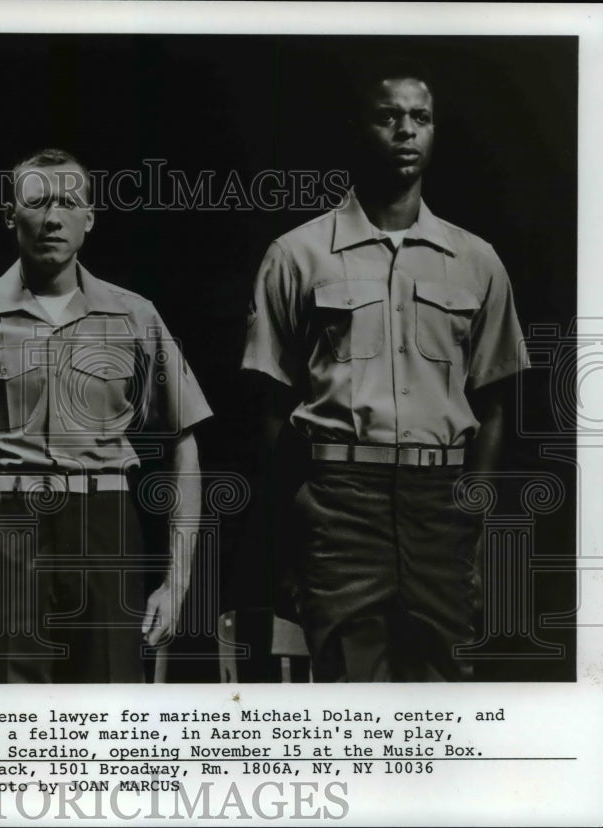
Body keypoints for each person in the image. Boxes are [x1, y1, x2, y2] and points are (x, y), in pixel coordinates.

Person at [242, 61, 529, 681]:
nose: (406, 130)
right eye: (388, 117)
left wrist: (470, 514)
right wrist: (297, 523)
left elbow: (496, 403)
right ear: (358, 129)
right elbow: (269, 406)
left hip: (440, 506)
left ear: (434, 133)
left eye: (420, 118)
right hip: (339, 504)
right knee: (352, 698)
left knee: (443, 705)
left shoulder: (477, 261)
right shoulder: (298, 255)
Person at [0, 148, 212, 682]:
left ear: (89, 218)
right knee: (11, 719)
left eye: (69, 203)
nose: (52, 217)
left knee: (110, 715)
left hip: (105, 529)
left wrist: (178, 579)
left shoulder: (133, 314)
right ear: (10, 216)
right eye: (36, 202)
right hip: (3, 528)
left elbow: (184, 443)